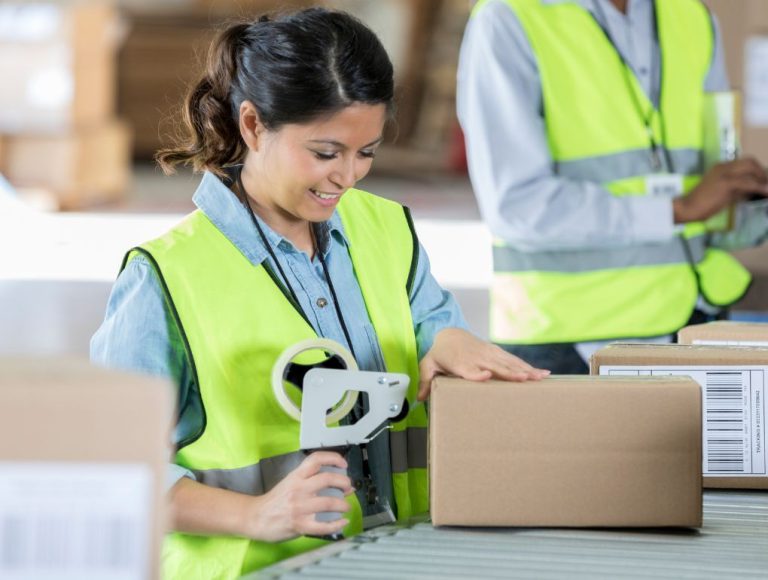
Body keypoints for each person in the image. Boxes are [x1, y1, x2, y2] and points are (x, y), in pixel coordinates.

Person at [91, 8, 548, 579]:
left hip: (395, 559)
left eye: (367, 152)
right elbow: (108, 472)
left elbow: (429, 319)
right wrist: (256, 514)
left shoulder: (386, 231)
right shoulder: (165, 278)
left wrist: (450, 340)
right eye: (326, 153)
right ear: (253, 126)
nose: (348, 176)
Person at [457, 0, 768, 373]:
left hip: (690, 322)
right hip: (565, 342)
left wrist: (749, 208)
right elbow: (516, 207)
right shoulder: (508, 18)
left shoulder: (690, 16)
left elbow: (709, 198)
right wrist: (678, 209)